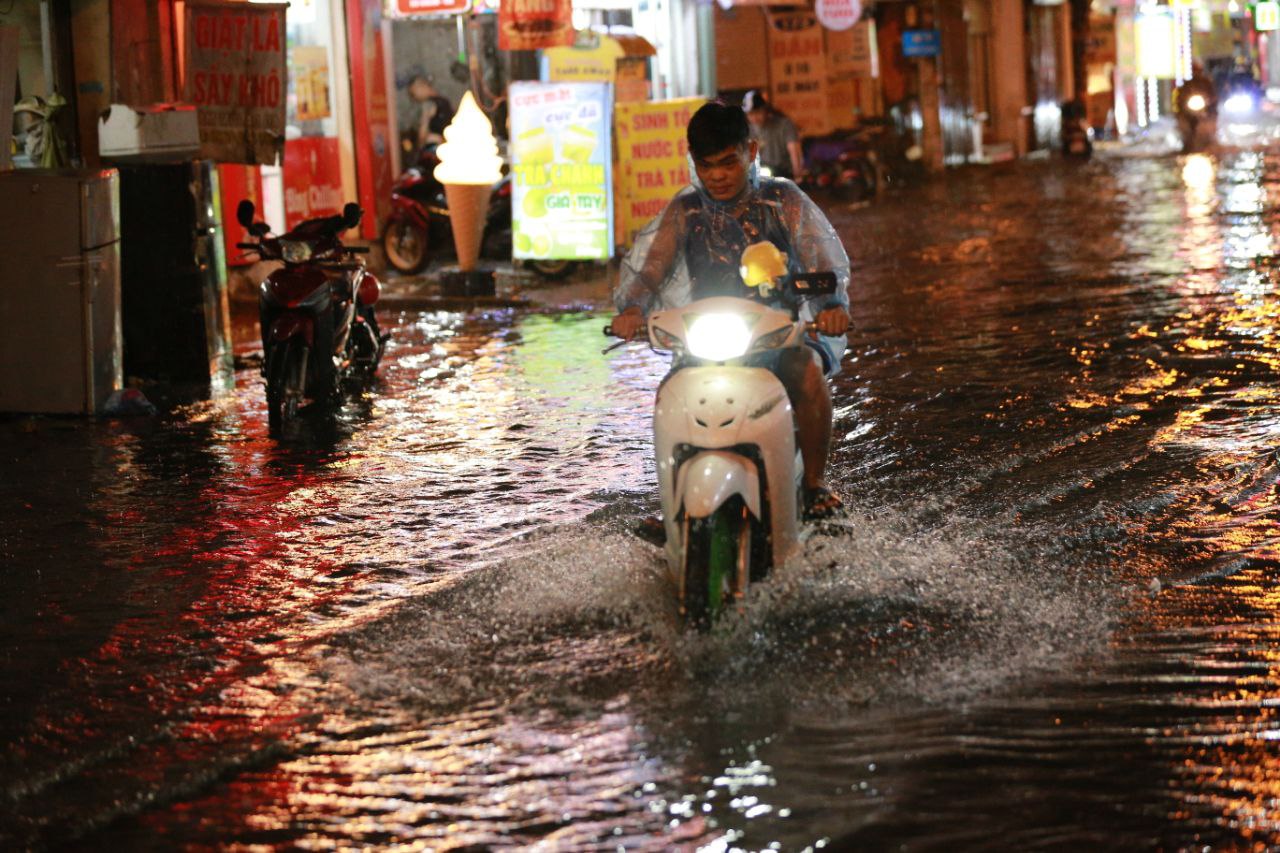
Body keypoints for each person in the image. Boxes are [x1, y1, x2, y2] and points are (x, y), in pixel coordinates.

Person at [610, 99, 851, 520]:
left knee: (808, 373)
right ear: (693, 163)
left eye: (727, 162)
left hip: (777, 335)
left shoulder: (783, 200)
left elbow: (820, 261)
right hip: (707, 336)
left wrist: (830, 307)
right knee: (670, 394)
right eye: (706, 166)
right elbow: (650, 270)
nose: (717, 176)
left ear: (751, 152)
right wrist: (632, 308)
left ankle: (813, 486)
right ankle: (670, 502)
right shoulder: (686, 209)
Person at [742, 90, 805, 180]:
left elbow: (794, 150)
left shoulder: (784, 125)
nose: (754, 117)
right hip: (759, 178)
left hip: (784, 174)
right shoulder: (747, 131)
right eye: (751, 114)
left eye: (758, 112)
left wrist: (798, 173)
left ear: (765, 110)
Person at [405, 74, 455, 154]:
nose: (413, 98)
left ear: (421, 87)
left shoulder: (428, 104)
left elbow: (422, 136)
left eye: (413, 93)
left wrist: (420, 144)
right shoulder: (445, 101)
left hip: (439, 150)